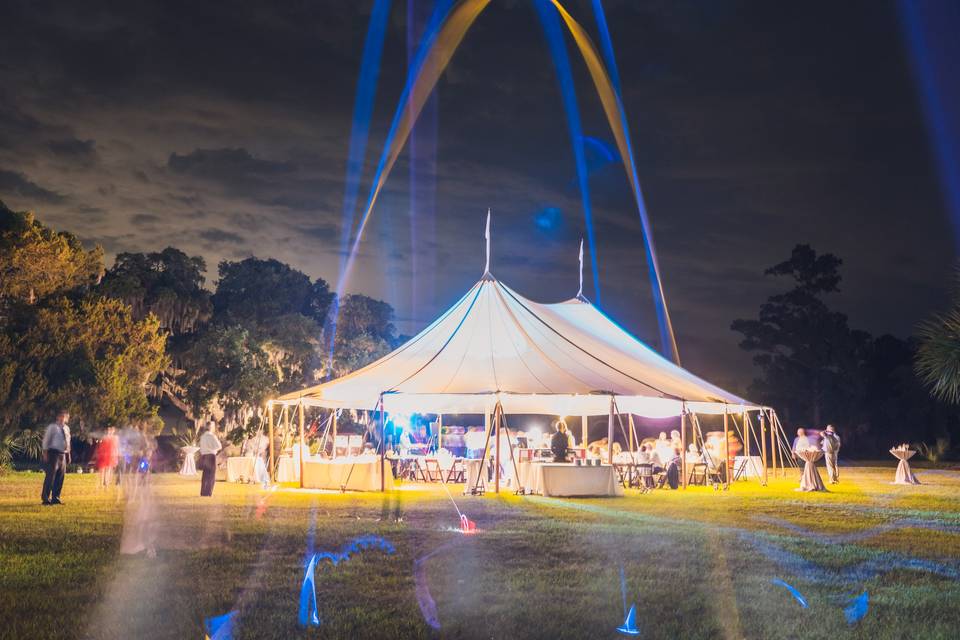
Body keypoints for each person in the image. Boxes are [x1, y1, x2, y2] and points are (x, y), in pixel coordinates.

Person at [41, 410, 71, 505]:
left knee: (60, 477)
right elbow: (46, 440)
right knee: (50, 476)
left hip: (63, 454)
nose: (63, 418)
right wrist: (45, 453)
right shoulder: (52, 427)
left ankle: (56, 497)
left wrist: (68, 454)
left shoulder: (67, 428)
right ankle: (45, 498)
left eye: (64, 416)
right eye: (61, 416)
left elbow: (68, 441)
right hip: (53, 454)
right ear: (57, 417)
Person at [199, 422, 222, 497]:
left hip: (204, 456)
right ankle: (208, 492)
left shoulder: (202, 436)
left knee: (205, 475)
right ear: (211, 427)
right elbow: (219, 446)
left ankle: (203, 492)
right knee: (211, 475)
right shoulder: (212, 436)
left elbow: (201, 447)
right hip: (211, 456)